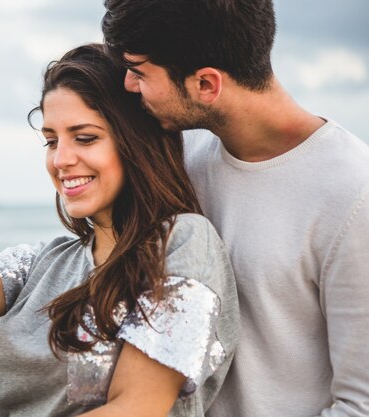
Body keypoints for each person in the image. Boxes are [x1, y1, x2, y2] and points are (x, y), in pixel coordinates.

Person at [0, 44, 238, 417]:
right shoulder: (42, 264)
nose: (61, 160)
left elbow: (134, 408)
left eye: (84, 138)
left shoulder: (182, 241)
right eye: (51, 141)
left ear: (137, 142)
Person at [102, 1, 369, 416]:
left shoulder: (354, 193)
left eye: (140, 72)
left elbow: (360, 404)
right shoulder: (180, 157)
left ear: (207, 84)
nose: (129, 85)